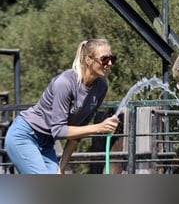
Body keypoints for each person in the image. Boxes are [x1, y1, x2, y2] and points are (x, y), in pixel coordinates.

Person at [5, 38, 120, 174]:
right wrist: (98, 127)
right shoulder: (65, 83)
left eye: (112, 58)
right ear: (88, 60)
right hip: (24, 136)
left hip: (47, 143)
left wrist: (62, 167)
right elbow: (58, 130)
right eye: (105, 59)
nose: (110, 63)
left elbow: (77, 134)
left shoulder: (101, 88)